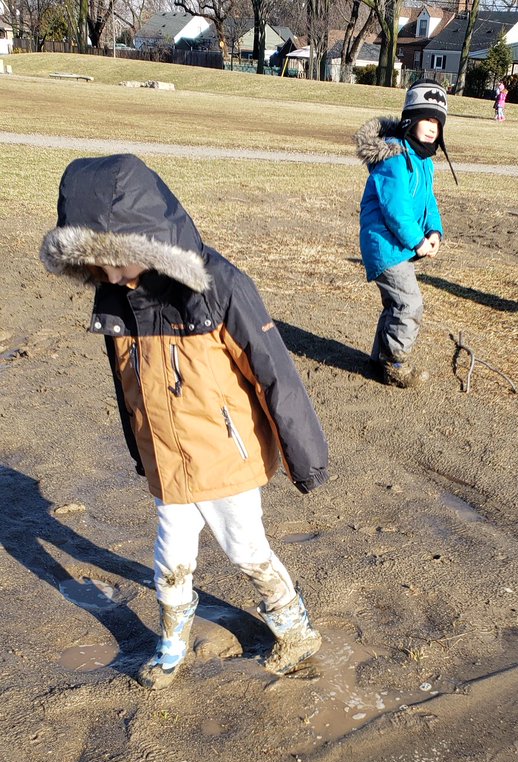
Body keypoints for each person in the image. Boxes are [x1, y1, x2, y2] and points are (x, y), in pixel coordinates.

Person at [40, 154, 328, 689]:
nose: (105, 275)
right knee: (169, 557)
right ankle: (172, 639)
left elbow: (275, 374)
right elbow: (129, 390)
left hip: (225, 457)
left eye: (113, 260)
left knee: (245, 548)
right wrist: (140, 449)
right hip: (169, 461)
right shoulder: (116, 301)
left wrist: (304, 459)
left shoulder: (218, 286)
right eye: (92, 263)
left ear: (142, 240)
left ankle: (292, 625)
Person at [355, 80, 457, 389]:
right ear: (410, 119)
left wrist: (434, 230)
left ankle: (379, 359)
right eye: (427, 119)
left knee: (394, 304)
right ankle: (396, 363)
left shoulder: (423, 161)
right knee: (410, 304)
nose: (432, 128)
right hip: (385, 244)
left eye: (437, 123)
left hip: (397, 245)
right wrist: (417, 241)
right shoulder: (395, 160)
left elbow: (428, 202)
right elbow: (396, 210)